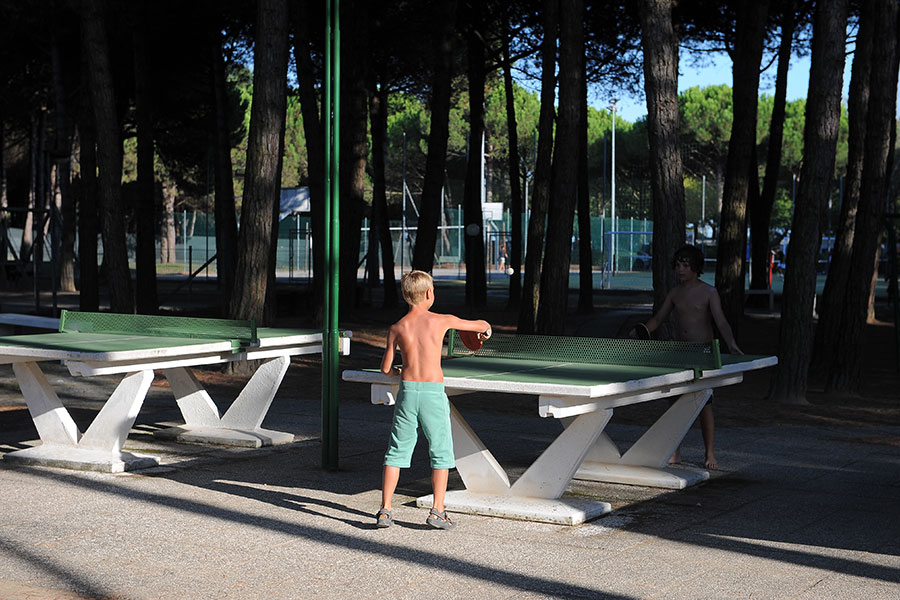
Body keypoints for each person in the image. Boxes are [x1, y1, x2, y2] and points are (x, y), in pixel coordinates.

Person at [376, 270, 491, 530]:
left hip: (407, 391)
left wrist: (396, 371)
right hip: (432, 392)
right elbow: (481, 325)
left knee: (396, 450)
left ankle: (385, 510)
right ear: (429, 294)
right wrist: (486, 331)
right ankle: (437, 511)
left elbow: (385, 369)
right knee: (440, 451)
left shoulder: (397, 327)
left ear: (406, 296)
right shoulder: (442, 320)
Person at [638, 244, 742, 469]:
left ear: (695, 267)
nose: (680, 269)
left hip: (703, 352)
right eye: (677, 265)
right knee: (674, 402)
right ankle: (674, 452)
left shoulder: (709, 292)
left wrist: (732, 344)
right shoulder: (675, 293)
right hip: (680, 352)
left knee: (703, 403)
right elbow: (658, 318)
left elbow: (721, 321)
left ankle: (710, 453)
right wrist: (643, 330)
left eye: (685, 265)